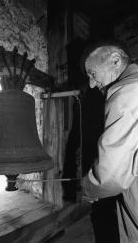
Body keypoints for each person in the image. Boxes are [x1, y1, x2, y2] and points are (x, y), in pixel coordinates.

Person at [81, 41, 138, 243]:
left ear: (115, 60)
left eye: (92, 74)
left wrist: (88, 187)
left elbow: (110, 175)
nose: (91, 84)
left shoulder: (128, 94)